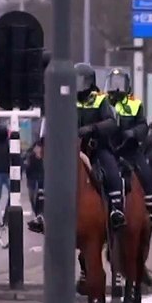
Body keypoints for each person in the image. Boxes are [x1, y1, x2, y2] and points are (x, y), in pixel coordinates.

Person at [27, 64, 125, 233]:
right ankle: (42, 214)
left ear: (90, 82)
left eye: (82, 81)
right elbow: (52, 122)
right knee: (47, 174)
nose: (79, 85)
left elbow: (111, 122)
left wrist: (92, 128)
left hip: (94, 149)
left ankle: (116, 210)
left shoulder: (101, 100)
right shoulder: (65, 100)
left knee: (111, 170)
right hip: (68, 150)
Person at [103, 69, 152, 227]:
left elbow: (143, 125)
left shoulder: (135, 104)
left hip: (130, 151)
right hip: (108, 150)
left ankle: (151, 213)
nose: (116, 88)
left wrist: (132, 132)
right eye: (113, 83)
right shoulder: (103, 103)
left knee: (147, 174)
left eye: (120, 84)